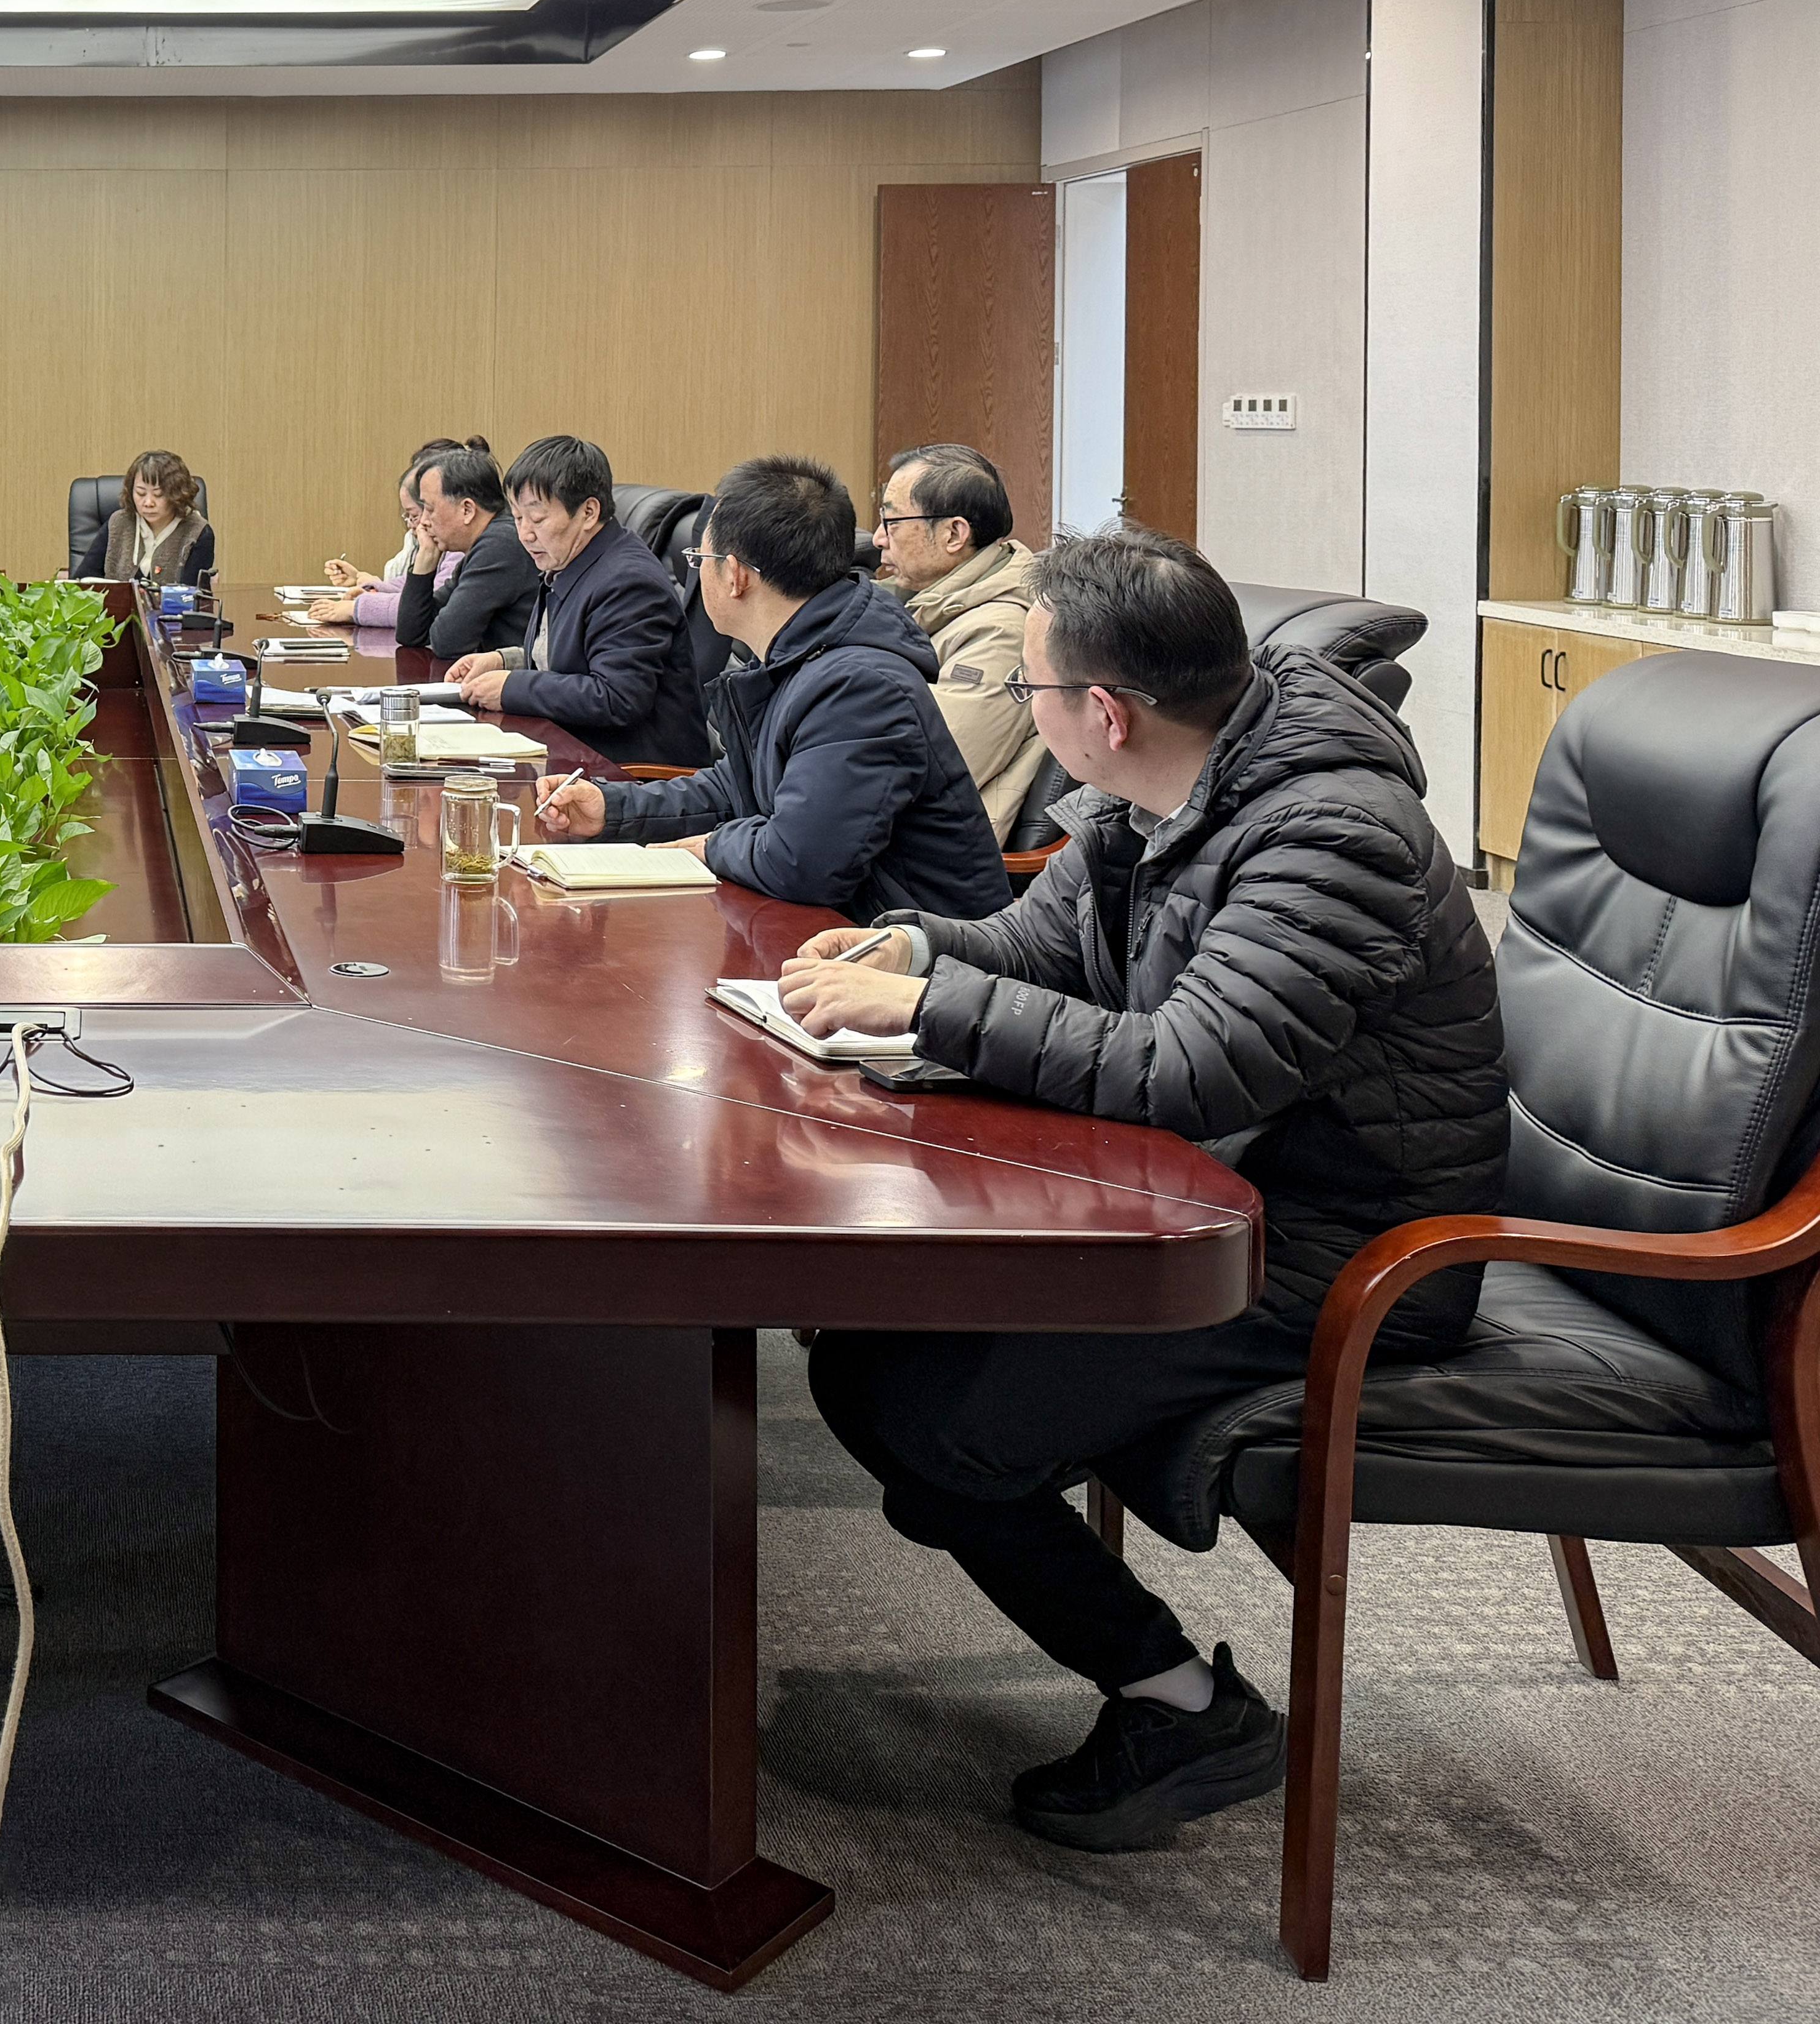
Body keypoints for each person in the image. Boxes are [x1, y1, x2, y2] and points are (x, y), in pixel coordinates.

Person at [779, 527, 1504, 1854]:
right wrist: (915, 948)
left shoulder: (1332, 835)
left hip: (1339, 1256)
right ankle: (1129, 1638)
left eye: (1030, 688)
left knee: (928, 1412)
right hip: (1212, 1205)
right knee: (873, 1358)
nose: (1025, 707)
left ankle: (1183, 1704)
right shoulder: (1161, 787)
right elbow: (1042, 944)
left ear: (1102, 711)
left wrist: (931, 1008)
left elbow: (1189, 1067)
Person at [533, 455, 1009, 920]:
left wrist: (710, 847)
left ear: (736, 576)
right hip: (832, 931)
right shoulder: (799, 653)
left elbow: (802, 862)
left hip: (916, 951)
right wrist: (613, 808)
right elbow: (737, 786)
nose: (697, 574)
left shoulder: (859, 688)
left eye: (699, 560)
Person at [443, 435, 704, 768]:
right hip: (574, 756)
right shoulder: (572, 563)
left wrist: (511, 688)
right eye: (518, 518)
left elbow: (616, 698)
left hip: (634, 775)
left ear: (588, 513)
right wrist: (504, 662)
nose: (525, 534)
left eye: (538, 519)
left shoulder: (628, 582)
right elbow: (576, 658)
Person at [876, 442, 1048, 839]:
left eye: (892, 521)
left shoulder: (1000, 632)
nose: (880, 538)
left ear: (954, 534)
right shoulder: (925, 604)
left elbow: (928, 771)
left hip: (932, 853)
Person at [391, 439, 538, 662]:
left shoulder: (500, 546)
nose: (423, 522)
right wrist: (425, 561)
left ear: (467, 510)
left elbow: (447, 643)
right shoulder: (485, 542)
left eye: (430, 509)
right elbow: (411, 634)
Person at [305, 440, 477, 630]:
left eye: (419, 514)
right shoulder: (439, 543)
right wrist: (374, 588)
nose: (418, 524)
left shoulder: (462, 548)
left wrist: (356, 609)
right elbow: (413, 590)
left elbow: (427, 607)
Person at [73, 449, 218, 586]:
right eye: (141, 493)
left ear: (178, 494)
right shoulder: (118, 524)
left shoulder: (198, 532)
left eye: (159, 495)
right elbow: (82, 582)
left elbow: (192, 596)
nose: (148, 503)